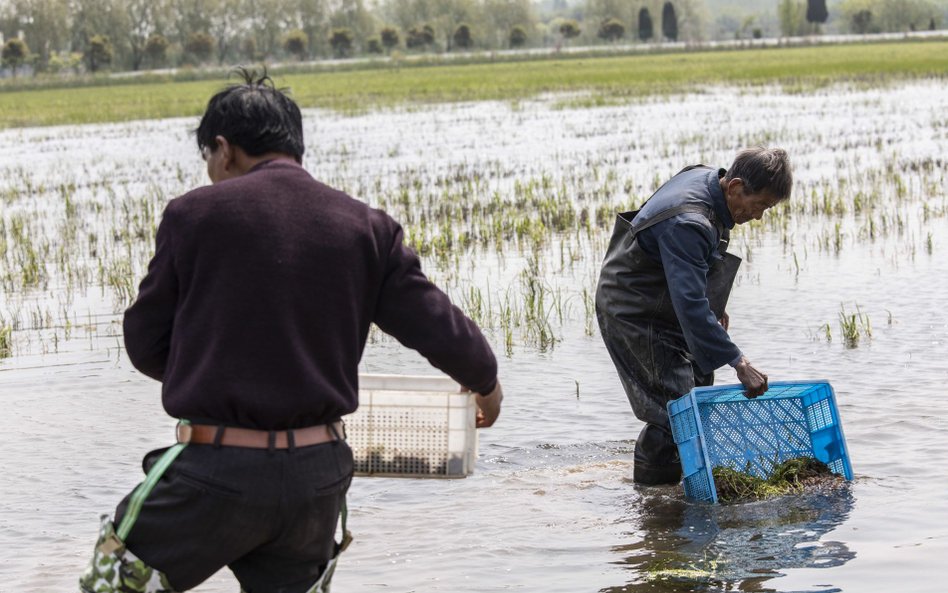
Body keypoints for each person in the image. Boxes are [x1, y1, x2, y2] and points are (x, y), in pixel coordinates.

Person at [79, 69, 503, 593]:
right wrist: (485, 380)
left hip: (216, 471)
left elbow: (145, 342)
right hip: (317, 479)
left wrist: (216, 366)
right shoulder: (365, 227)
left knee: (109, 586)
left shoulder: (193, 215)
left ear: (223, 149)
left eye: (210, 158)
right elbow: (435, 323)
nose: (211, 170)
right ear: (293, 147)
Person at [595, 147, 792, 485]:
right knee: (675, 409)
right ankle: (653, 499)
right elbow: (689, 303)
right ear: (734, 187)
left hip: (662, 300)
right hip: (633, 311)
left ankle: (672, 495)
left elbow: (689, 273)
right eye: (759, 205)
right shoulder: (689, 221)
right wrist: (739, 362)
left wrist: (714, 303)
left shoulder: (708, 179)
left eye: (767, 209)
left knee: (697, 391)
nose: (758, 216)